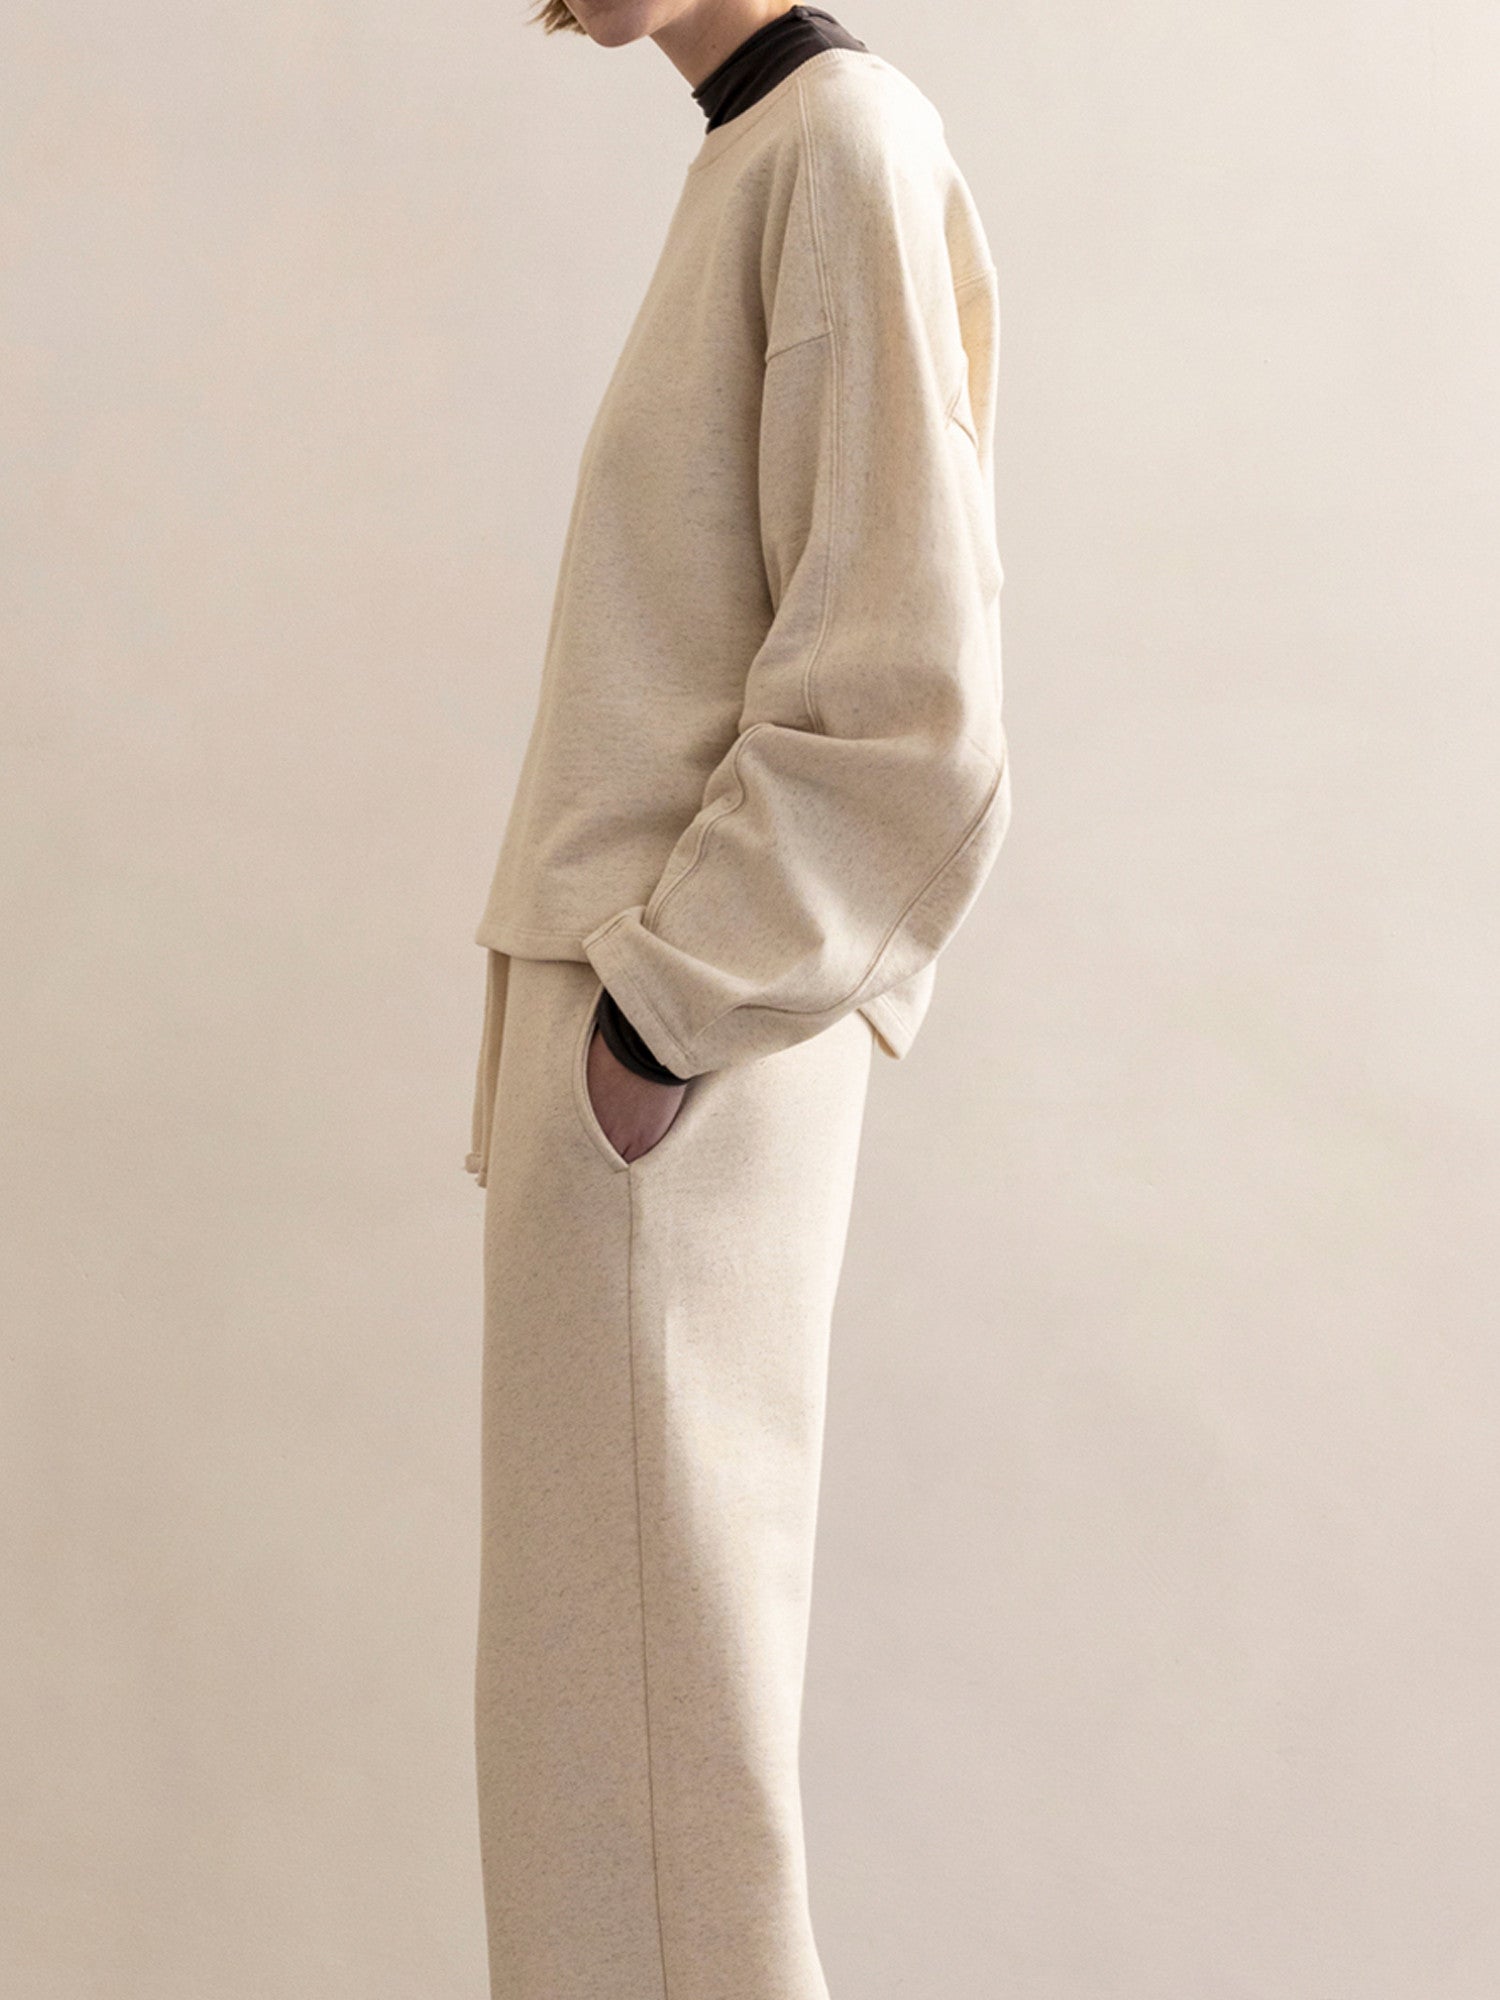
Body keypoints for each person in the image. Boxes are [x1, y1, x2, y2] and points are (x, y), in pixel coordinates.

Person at [464, 4, 1012, 1994]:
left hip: (677, 1070)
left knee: (654, 1780)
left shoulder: (841, 145)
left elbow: (907, 695)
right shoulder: (757, 153)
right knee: (604, 1763)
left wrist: (657, 1017)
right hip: (635, 1061)